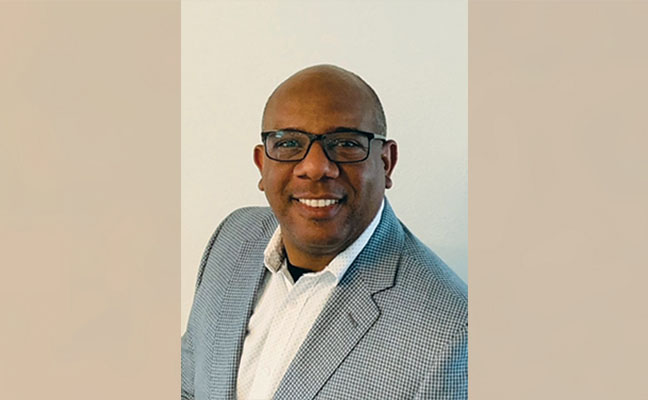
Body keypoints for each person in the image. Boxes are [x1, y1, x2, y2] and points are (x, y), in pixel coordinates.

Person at [181, 64, 467, 400]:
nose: (315, 167)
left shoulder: (451, 334)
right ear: (262, 164)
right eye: (289, 142)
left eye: (345, 143)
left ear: (386, 163)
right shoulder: (232, 238)